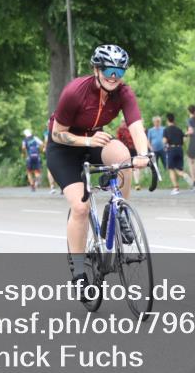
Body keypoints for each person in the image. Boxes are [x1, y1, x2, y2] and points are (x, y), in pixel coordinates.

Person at [45, 44, 152, 296]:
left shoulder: (123, 92)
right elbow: (57, 133)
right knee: (80, 207)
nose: (113, 76)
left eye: (119, 71)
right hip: (64, 148)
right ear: (96, 68)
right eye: (107, 69)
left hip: (95, 140)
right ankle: (80, 271)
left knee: (124, 156)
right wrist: (87, 141)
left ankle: (120, 210)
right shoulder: (75, 92)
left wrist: (143, 154)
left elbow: (135, 126)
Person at [115, 121, 142, 190]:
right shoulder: (121, 130)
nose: (124, 123)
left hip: (131, 149)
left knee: (134, 166)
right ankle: (130, 183)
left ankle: (136, 183)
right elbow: (118, 140)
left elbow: (118, 140)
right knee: (127, 167)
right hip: (126, 149)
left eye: (124, 122)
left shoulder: (126, 129)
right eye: (123, 122)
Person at [163, 113, 186, 194]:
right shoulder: (179, 129)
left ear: (167, 120)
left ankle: (176, 188)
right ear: (174, 120)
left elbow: (164, 141)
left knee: (171, 169)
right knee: (179, 168)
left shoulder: (166, 130)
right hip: (180, 149)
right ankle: (184, 174)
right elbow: (184, 140)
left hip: (171, 149)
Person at [41, 121, 60, 194]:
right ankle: (62, 187)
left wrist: (44, 148)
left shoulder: (46, 133)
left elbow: (46, 142)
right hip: (60, 151)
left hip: (51, 151)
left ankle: (52, 187)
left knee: (50, 169)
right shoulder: (59, 131)